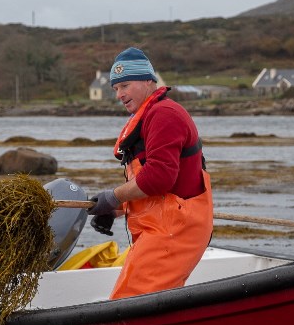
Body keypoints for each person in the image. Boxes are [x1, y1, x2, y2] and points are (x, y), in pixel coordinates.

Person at [87, 47, 213, 299]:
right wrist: (115, 210)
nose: (119, 95)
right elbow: (156, 189)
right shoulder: (151, 116)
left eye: (124, 85)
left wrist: (113, 196)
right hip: (161, 229)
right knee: (132, 302)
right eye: (115, 89)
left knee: (127, 304)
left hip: (173, 231)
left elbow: (158, 177)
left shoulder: (164, 114)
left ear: (148, 80)